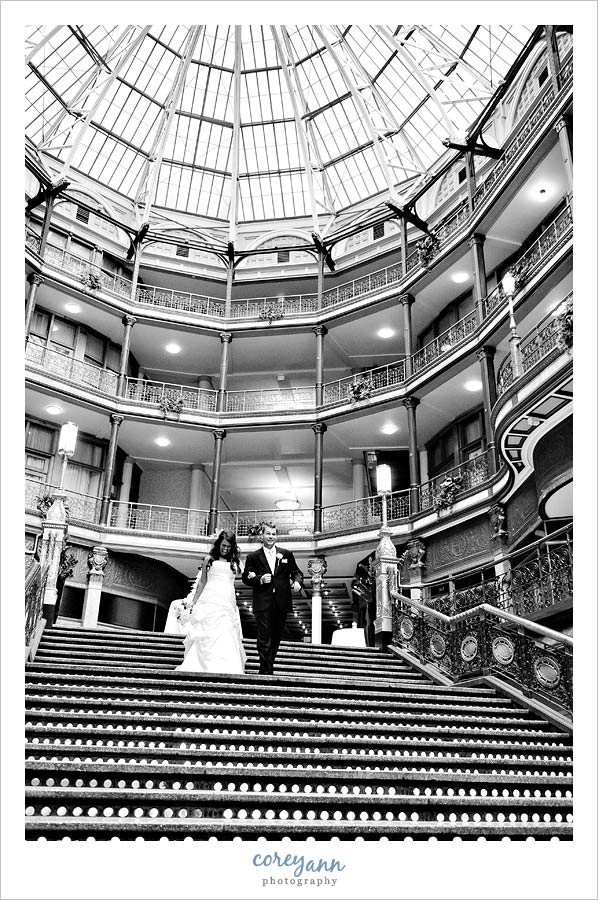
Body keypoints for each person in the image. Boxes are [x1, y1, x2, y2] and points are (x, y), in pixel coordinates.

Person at [173, 531, 246, 675]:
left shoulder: (236, 562)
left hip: (226, 599)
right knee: (206, 632)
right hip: (209, 598)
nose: (225, 549)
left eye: (228, 547)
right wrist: (193, 602)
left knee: (226, 631)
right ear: (219, 544)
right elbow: (202, 582)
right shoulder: (208, 560)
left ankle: (225, 665)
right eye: (223, 545)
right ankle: (200, 665)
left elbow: (246, 576)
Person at [242, 521, 303, 675]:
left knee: (275, 637)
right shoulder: (253, 557)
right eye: (268, 533)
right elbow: (245, 578)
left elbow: (297, 572)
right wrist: (259, 579)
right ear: (262, 536)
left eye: (273, 534)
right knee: (264, 636)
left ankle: (269, 666)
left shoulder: (286, 554)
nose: (271, 536)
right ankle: (266, 670)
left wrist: (297, 582)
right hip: (262, 602)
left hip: (281, 602)